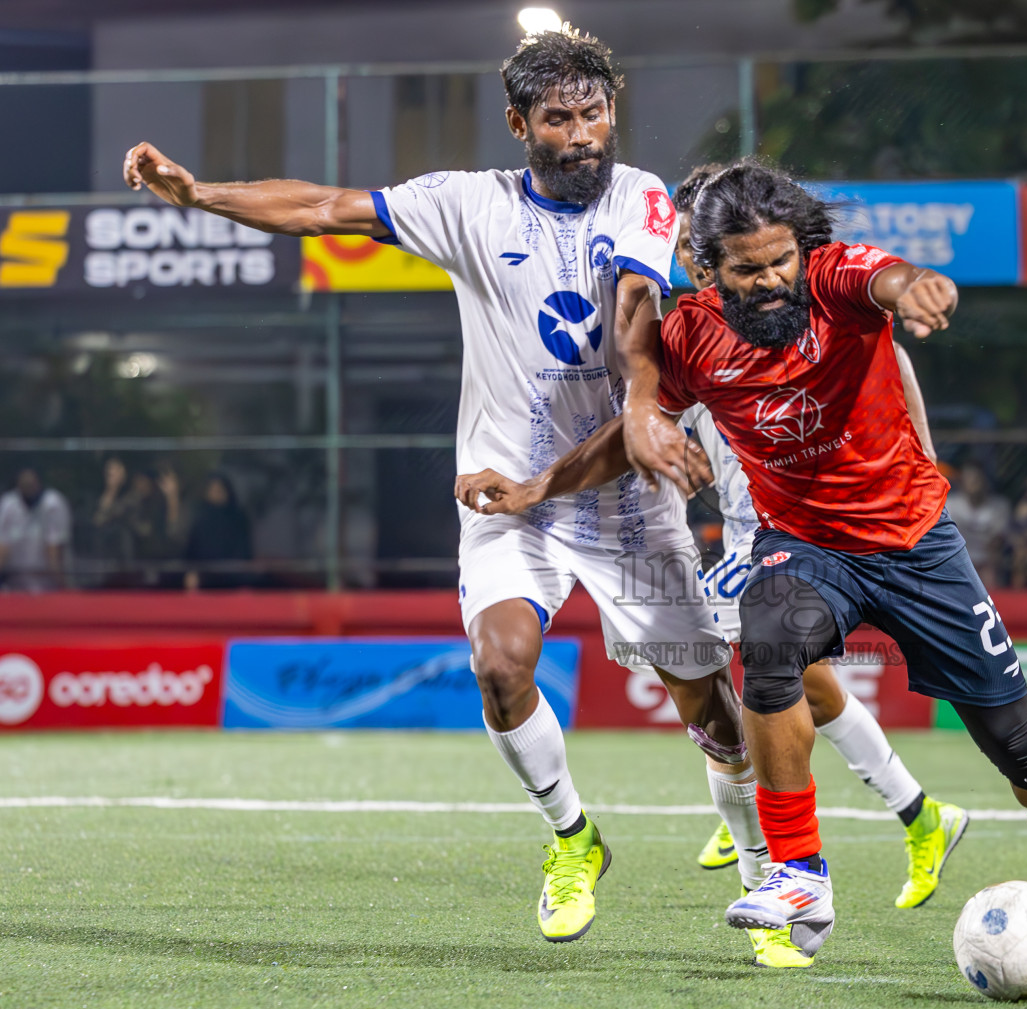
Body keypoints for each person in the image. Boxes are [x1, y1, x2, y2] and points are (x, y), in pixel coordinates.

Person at [125, 26, 761, 948]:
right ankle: (573, 839)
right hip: (507, 492)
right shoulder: (468, 206)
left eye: (596, 114)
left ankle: (757, 865)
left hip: (622, 488)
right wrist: (200, 194)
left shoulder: (641, 196)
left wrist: (646, 407)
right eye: (559, 118)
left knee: (706, 702)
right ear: (518, 123)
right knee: (500, 666)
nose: (584, 134)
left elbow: (635, 309)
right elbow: (324, 207)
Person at [478, 162, 1027, 972]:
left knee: (1018, 745)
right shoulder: (691, 334)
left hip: (915, 543)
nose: (770, 280)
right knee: (765, 648)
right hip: (805, 546)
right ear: (707, 268)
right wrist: (533, 490)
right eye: (747, 268)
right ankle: (800, 871)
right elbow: (627, 436)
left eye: (780, 261)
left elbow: (888, 279)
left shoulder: (836, 278)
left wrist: (917, 288)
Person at [670, 166, 967, 953]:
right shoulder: (692, 322)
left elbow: (890, 372)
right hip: (754, 528)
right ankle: (911, 813)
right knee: (789, 682)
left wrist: (923, 475)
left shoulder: (796, 306)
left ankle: (771, 866)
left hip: (780, 531)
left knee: (729, 686)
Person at [0, 467, 71, 592]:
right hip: (13, 589)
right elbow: (3, 550)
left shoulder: (53, 504)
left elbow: (53, 554)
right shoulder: (8, 504)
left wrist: (65, 589)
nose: (28, 484)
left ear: (38, 482)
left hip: (47, 588)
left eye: (31, 482)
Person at [183, 473, 253, 590]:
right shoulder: (200, 518)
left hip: (233, 581)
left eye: (220, 489)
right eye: (213, 490)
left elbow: (244, 552)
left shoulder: (238, 518)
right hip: (203, 580)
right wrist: (190, 573)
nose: (217, 493)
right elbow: (191, 550)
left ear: (228, 492)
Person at [945, 461, 1010, 587]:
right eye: (969, 478)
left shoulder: (1000, 506)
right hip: (958, 561)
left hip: (988, 563)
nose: (974, 483)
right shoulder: (950, 505)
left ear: (985, 481)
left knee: (991, 571)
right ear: (962, 481)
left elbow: (997, 541)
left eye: (977, 478)